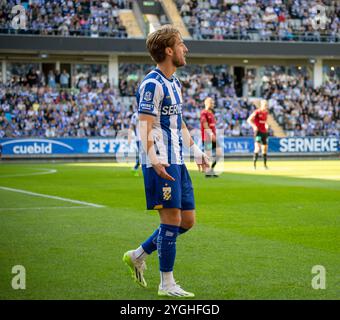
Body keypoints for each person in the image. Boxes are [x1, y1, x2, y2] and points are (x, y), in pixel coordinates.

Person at [123, 25, 209, 298]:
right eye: (182, 44)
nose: (186, 49)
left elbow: (178, 121)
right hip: (160, 161)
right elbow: (144, 124)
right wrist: (154, 157)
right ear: (169, 50)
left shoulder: (174, 83)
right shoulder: (152, 83)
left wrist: (195, 148)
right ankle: (167, 283)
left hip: (178, 160)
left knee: (187, 221)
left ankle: (138, 254)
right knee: (172, 220)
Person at [200, 97, 222, 177]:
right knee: (208, 155)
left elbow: (213, 124)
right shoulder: (203, 113)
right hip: (207, 138)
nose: (213, 104)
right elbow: (205, 126)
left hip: (213, 136)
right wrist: (211, 135)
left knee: (219, 153)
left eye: (213, 103)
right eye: (211, 103)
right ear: (206, 103)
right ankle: (207, 171)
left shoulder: (212, 113)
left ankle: (211, 169)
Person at [247, 99, 269, 169]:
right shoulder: (257, 112)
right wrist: (254, 126)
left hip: (264, 132)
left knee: (265, 149)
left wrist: (266, 125)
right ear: (261, 105)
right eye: (265, 105)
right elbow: (249, 120)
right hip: (258, 132)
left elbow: (265, 122)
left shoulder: (266, 113)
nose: (266, 107)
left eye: (266, 105)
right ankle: (254, 165)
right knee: (257, 148)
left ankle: (265, 165)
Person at [127, 109, 140, 176]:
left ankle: (135, 168)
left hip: (148, 138)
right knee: (143, 155)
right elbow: (131, 127)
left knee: (145, 156)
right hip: (139, 138)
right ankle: (135, 168)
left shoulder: (149, 112)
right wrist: (129, 137)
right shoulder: (135, 115)